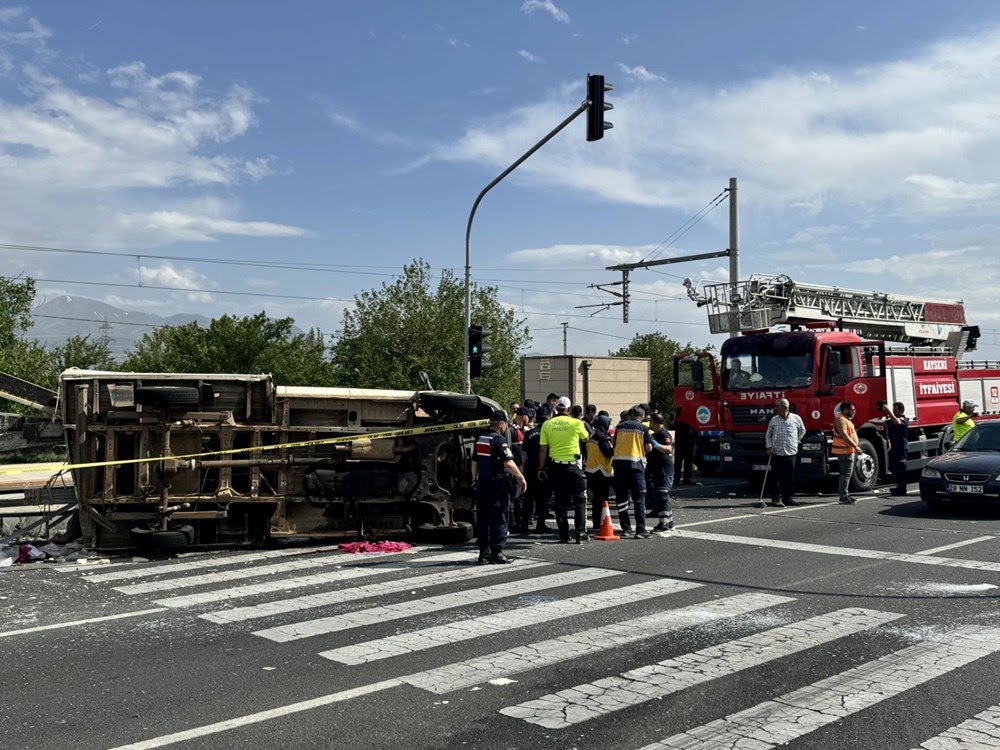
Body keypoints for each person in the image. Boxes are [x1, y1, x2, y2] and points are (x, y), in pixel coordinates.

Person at [471, 410, 527, 564]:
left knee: (483, 519)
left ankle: (484, 553)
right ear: (501, 424)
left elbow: (474, 462)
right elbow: (508, 462)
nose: (506, 427)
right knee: (500, 518)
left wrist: (474, 479)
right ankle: (497, 553)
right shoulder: (498, 441)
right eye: (506, 424)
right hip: (497, 485)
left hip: (483, 483)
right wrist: (520, 477)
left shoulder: (480, 439)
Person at [538, 396, 591, 543]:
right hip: (573, 465)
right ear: (568, 408)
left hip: (555, 467)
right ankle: (580, 533)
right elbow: (586, 438)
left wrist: (541, 468)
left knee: (560, 502)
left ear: (556, 408)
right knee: (580, 498)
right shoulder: (576, 423)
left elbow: (543, 449)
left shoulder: (547, 424)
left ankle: (564, 535)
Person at [612, 406, 654, 538]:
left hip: (619, 466)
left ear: (631, 415)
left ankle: (626, 528)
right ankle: (640, 530)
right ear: (642, 416)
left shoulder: (620, 426)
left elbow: (614, 443)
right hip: (635, 466)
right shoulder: (643, 428)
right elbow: (648, 448)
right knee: (639, 498)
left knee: (622, 499)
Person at [762, 398, 805, 508]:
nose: (775, 408)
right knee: (776, 477)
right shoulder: (774, 420)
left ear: (785, 408)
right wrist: (769, 446)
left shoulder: (796, 418)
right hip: (777, 452)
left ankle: (788, 497)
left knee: (789, 476)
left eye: (777, 406)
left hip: (791, 451)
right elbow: (768, 434)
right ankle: (776, 498)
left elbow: (802, 430)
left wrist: (797, 441)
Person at [521, 405, 551, 533]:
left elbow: (524, 453)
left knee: (528, 497)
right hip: (544, 468)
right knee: (543, 497)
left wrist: (523, 468)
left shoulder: (529, 433)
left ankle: (525, 524)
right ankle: (540, 524)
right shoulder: (549, 432)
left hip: (530, 468)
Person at [646, 412, 675, 532]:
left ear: (657, 423)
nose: (649, 424)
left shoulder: (663, 434)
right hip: (657, 468)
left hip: (664, 469)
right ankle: (670, 521)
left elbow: (669, 449)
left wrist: (657, 445)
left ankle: (664, 523)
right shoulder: (656, 434)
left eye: (651, 422)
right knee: (661, 495)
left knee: (663, 495)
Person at [585, 413, 615, 529]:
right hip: (602, 471)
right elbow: (608, 453)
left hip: (591, 470)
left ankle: (596, 522)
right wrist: (614, 447)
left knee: (595, 500)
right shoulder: (601, 438)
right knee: (602, 499)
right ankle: (600, 522)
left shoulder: (591, 436)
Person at [832, 401, 862, 505]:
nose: (854, 412)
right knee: (846, 473)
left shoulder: (845, 419)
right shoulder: (841, 420)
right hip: (844, 450)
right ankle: (843, 496)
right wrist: (855, 446)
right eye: (852, 410)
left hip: (847, 450)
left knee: (847, 473)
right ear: (845, 410)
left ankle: (845, 494)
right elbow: (844, 435)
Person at [882, 402, 910, 496]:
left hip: (901, 448)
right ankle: (898, 486)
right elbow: (884, 423)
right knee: (895, 468)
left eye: (895, 410)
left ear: (901, 410)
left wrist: (888, 410)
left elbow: (897, 422)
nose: (894, 411)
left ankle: (902, 489)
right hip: (895, 448)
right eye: (893, 409)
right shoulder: (892, 420)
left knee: (901, 468)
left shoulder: (904, 420)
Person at [672, 407, 698, 486]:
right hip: (682, 442)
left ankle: (684, 478)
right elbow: (672, 426)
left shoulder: (690, 419)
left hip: (687, 442)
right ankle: (678, 479)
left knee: (687, 461)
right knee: (679, 462)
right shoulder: (678, 418)